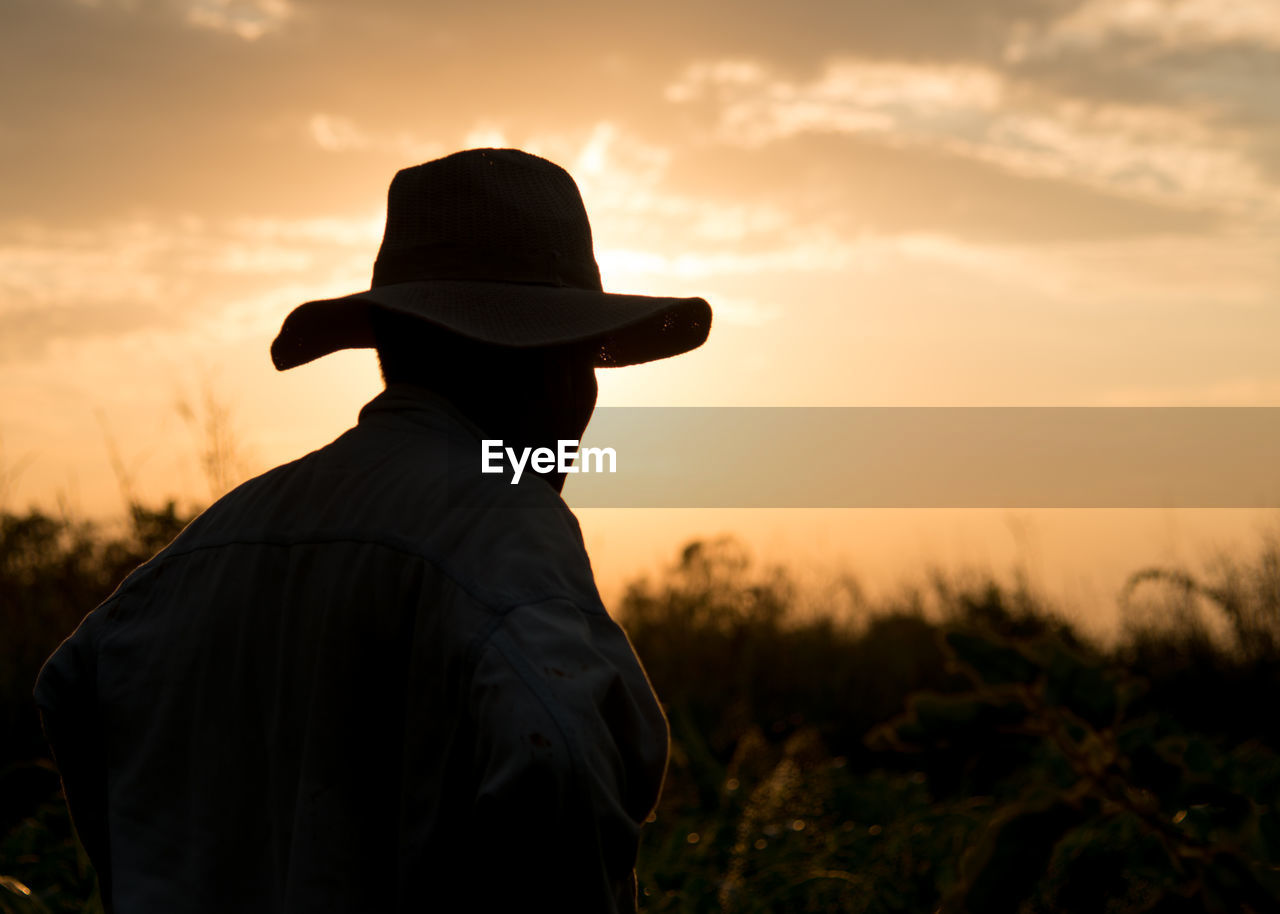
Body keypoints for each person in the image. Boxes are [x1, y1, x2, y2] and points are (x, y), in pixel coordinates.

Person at [34, 148, 712, 913]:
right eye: (583, 362)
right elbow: (553, 757)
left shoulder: (214, 542)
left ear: (393, 347)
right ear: (551, 371)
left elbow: (72, 688)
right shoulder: (503, 528)